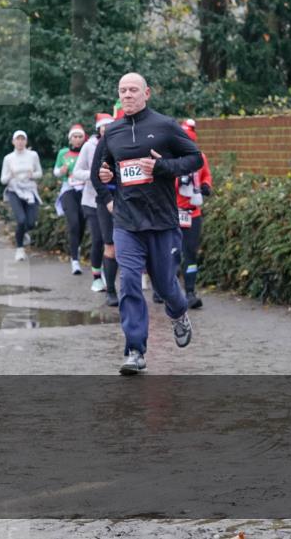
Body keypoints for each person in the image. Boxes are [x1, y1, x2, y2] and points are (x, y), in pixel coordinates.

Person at [91, 73, 203, 375]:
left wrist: (163, 166)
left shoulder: (165, 126)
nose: (127, 95)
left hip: (163, 222)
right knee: (128, 282)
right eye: (122, 91)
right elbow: (97, 174)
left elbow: (195, 159)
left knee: (166, 286)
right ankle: (135, 350)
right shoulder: (111, 133)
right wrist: (109, 194)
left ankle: (179, 313)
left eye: (133, 90)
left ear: (147, 93)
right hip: (127, 223)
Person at [73, 113, 119, 304]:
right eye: (103, 126)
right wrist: (95, 177)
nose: (106, 129)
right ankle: (97, 278)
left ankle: (114, 283)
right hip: (92, 199)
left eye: (110, 126)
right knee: (100, 239)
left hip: (114, 198)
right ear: (98, 129)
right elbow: (77, 171)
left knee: (114, 241)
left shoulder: (118, 143)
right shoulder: (89, 146)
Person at [176, 119, 212, 309]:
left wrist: (205, 186)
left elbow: (206, 174)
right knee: (171, 253)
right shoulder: (171, 157)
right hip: (173, 213)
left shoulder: (200, 157)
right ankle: (165, 290)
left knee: (190, 253)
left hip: (193, 212)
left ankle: (190, 292)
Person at [0, 130, 42, 262]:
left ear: (26, 141)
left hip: (30, 190)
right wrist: (10, 175)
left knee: (31, 222)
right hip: (14, 190)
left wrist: (32, 175)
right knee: (21, 220)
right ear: (13, 142)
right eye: (17, 139)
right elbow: (3, 180)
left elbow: (39, 173)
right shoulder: (8, 158)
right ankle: (19, 249)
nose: (20, 142)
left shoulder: (33, 155)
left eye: (22, 139)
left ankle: (23, 233)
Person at [54, 123, 88, 275]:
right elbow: (56, 171)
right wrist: (61, 171)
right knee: (73, 223)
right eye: (75, 136)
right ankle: (75, 260)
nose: (78, 139)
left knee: (81, 223)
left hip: (85, 190)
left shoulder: (87, 151)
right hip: (68, 190)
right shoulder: (63, 153)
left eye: (80, 136)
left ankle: (77, 247)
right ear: (70, 139)